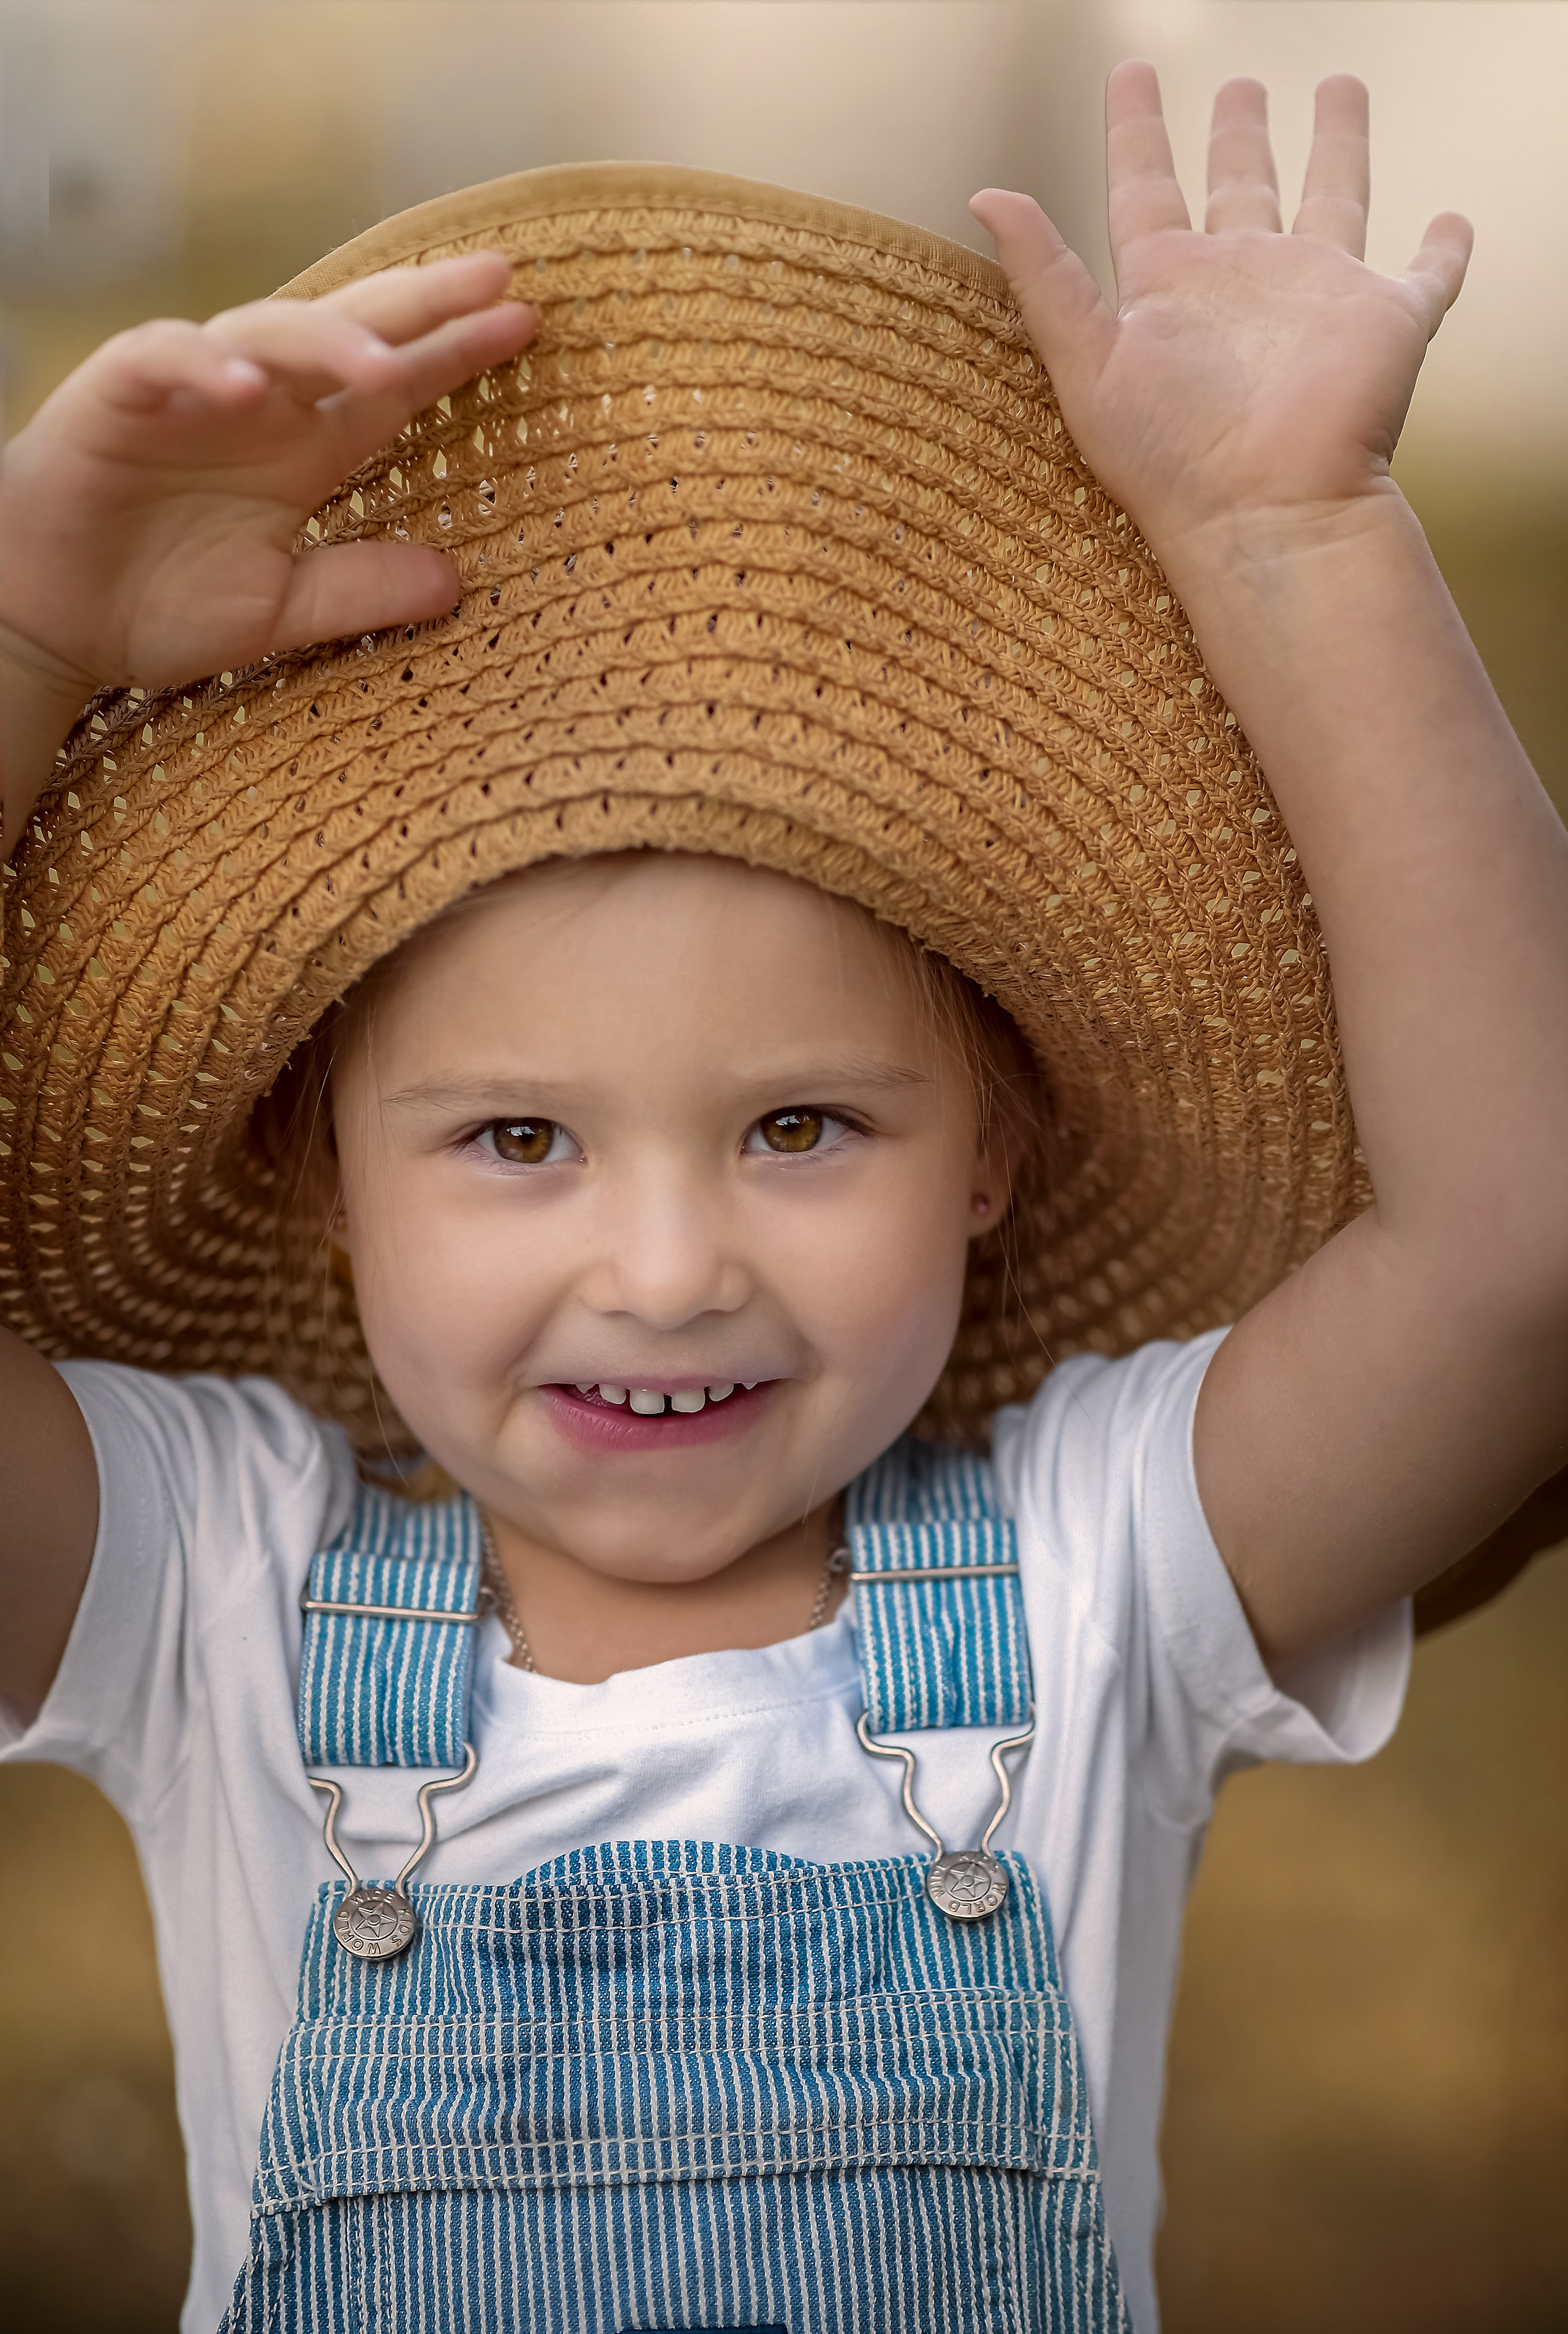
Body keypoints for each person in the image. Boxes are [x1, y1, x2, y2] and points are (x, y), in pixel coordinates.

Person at [2, 62, 1565, 2334]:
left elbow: (1521, 1263)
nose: (664, 1271)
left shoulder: (1095, 1581)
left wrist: (1296, 544)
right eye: (517, 1137)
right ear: (312, 1165)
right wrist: (29, 640)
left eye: (803, 1128)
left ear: (994, 1151)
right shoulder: (213, 1604)